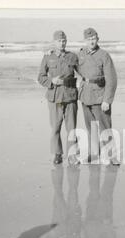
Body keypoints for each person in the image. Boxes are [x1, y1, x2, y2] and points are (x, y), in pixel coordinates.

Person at [77, 27, 119, 164]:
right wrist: (51, 53)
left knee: (105, 128)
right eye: (89, 39)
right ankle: (94, 154)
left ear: (98, 39)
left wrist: (107, 100)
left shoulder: (104, 55)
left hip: (100, 98)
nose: (91, 41)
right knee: (91, 128)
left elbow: (112, 79)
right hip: (85, 96)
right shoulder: (80, 54)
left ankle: (112, 157)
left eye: (93, 39)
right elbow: (69, 63)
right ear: (85, 40)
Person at [38, 30, 80, 165]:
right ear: (54, 42)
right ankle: (57, 153)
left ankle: (72, 155)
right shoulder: (47, 57)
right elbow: (41, 77)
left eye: (63, 41)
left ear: (66, 41)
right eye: (59, 41)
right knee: (55, 127)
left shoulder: (73, 57)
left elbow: (83, 70)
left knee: (71, 128)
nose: (61, 43)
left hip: (70, 96)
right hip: (54, 97)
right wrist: (51, 81)